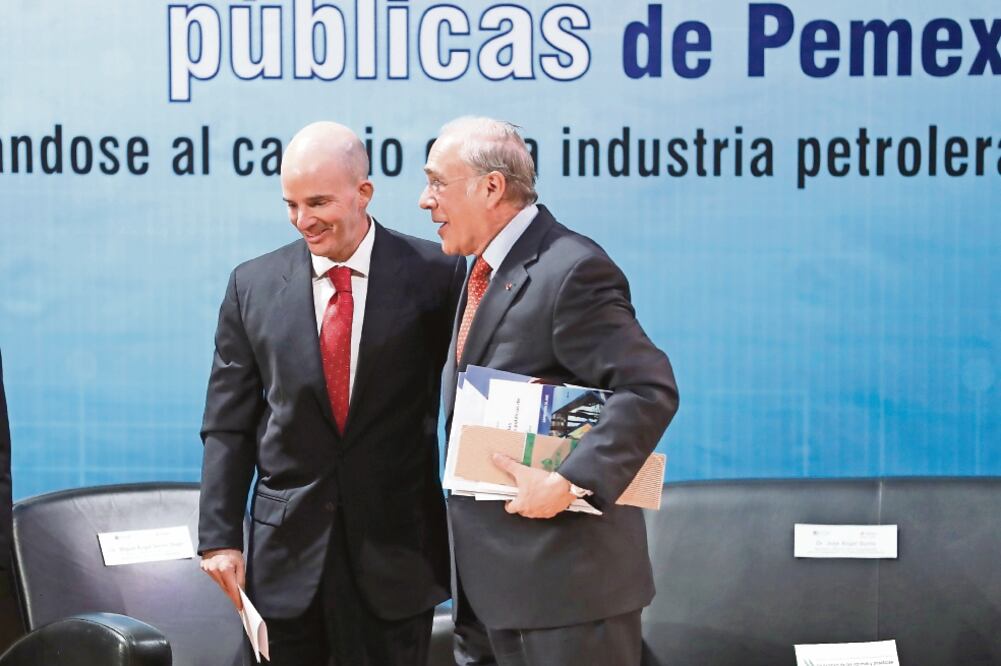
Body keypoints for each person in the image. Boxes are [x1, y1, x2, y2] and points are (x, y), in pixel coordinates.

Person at [199, 121, 464, 666]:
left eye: (317, 202)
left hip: (396, 557)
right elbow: (228, 422)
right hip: (284, 561)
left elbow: (479, 385)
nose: (303, 220)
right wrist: (219, 537)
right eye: (291, 204)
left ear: (363, 192)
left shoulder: (439, 275)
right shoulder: (251, 286)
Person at [419, 117, 679, 666]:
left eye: (437, 182)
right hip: (488, 595)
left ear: (491, 187)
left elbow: (647, 388)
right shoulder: (480, 271)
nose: (425, 200)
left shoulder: (572, 269)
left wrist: (567, 482)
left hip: (566, 597)